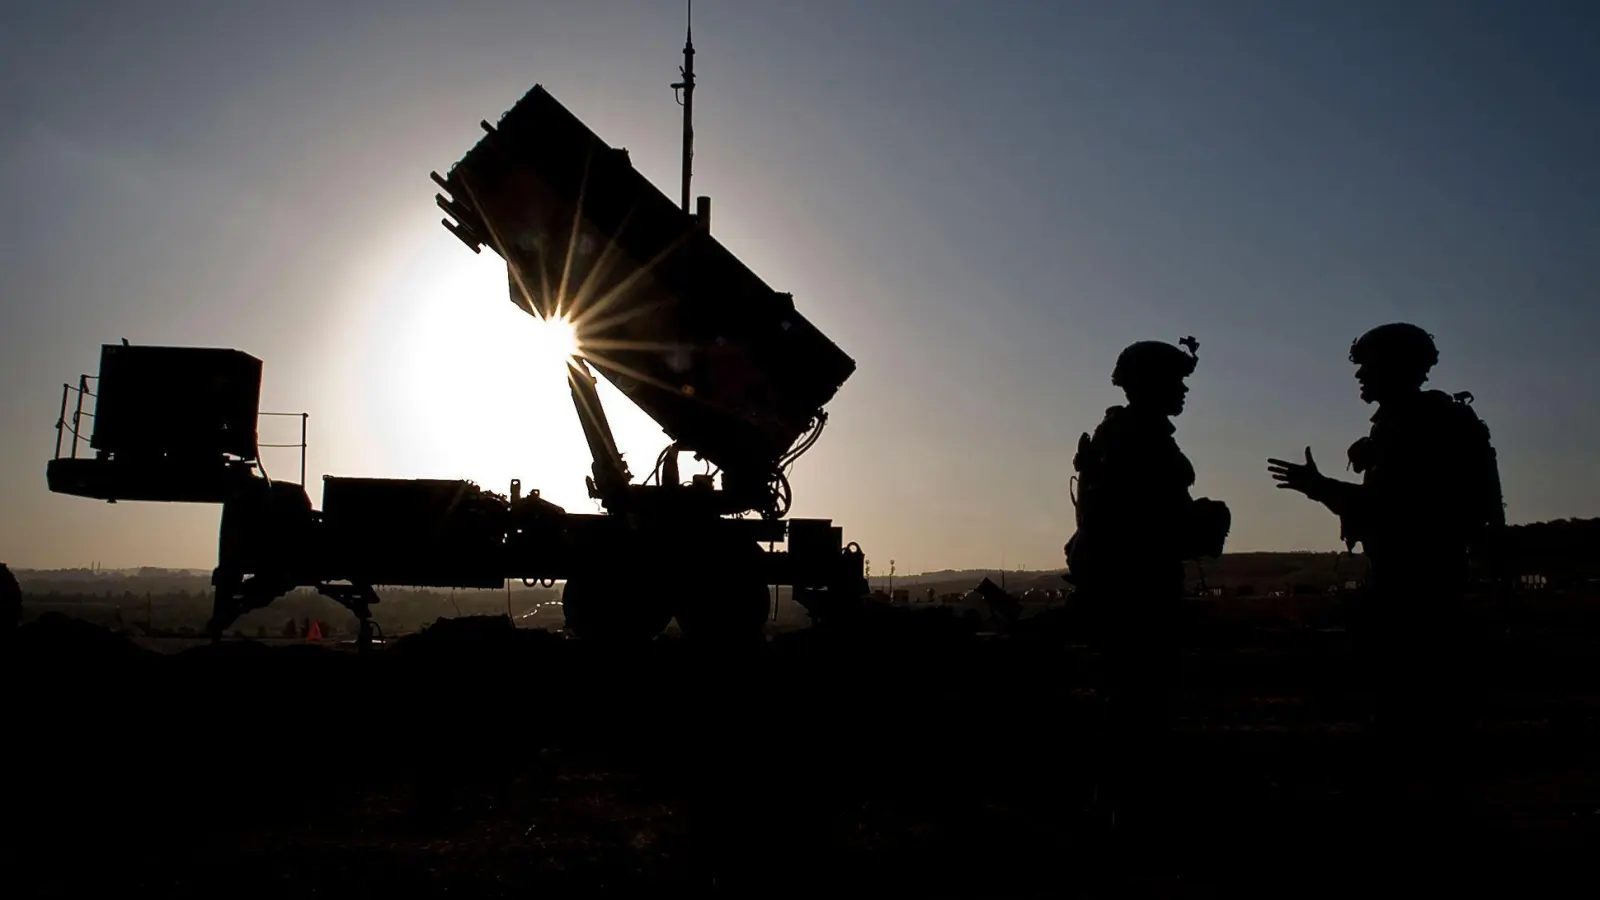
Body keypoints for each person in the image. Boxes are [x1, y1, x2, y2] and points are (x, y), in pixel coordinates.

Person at [1267, 322, 1504, 828]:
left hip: (1412, 590)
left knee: (1403, 719)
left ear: (1395, 368)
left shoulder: (1412, 428)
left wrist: (1318, 487)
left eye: (1367, 365)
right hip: (1428, 584)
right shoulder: (1420, 423)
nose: (1359, 375)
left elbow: (1392, 509)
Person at [1065, 336, 1231, 831]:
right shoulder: (1137, 439)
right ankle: (1132, 813)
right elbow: (1144, 525)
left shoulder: (1129, 434)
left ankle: (1127, 806)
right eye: (1175, 381)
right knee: (1138, 707)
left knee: (1133, 704)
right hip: (1136, 594)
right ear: (1148, 384)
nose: (1183, 391)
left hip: (1129, 589)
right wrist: (1209, 520)